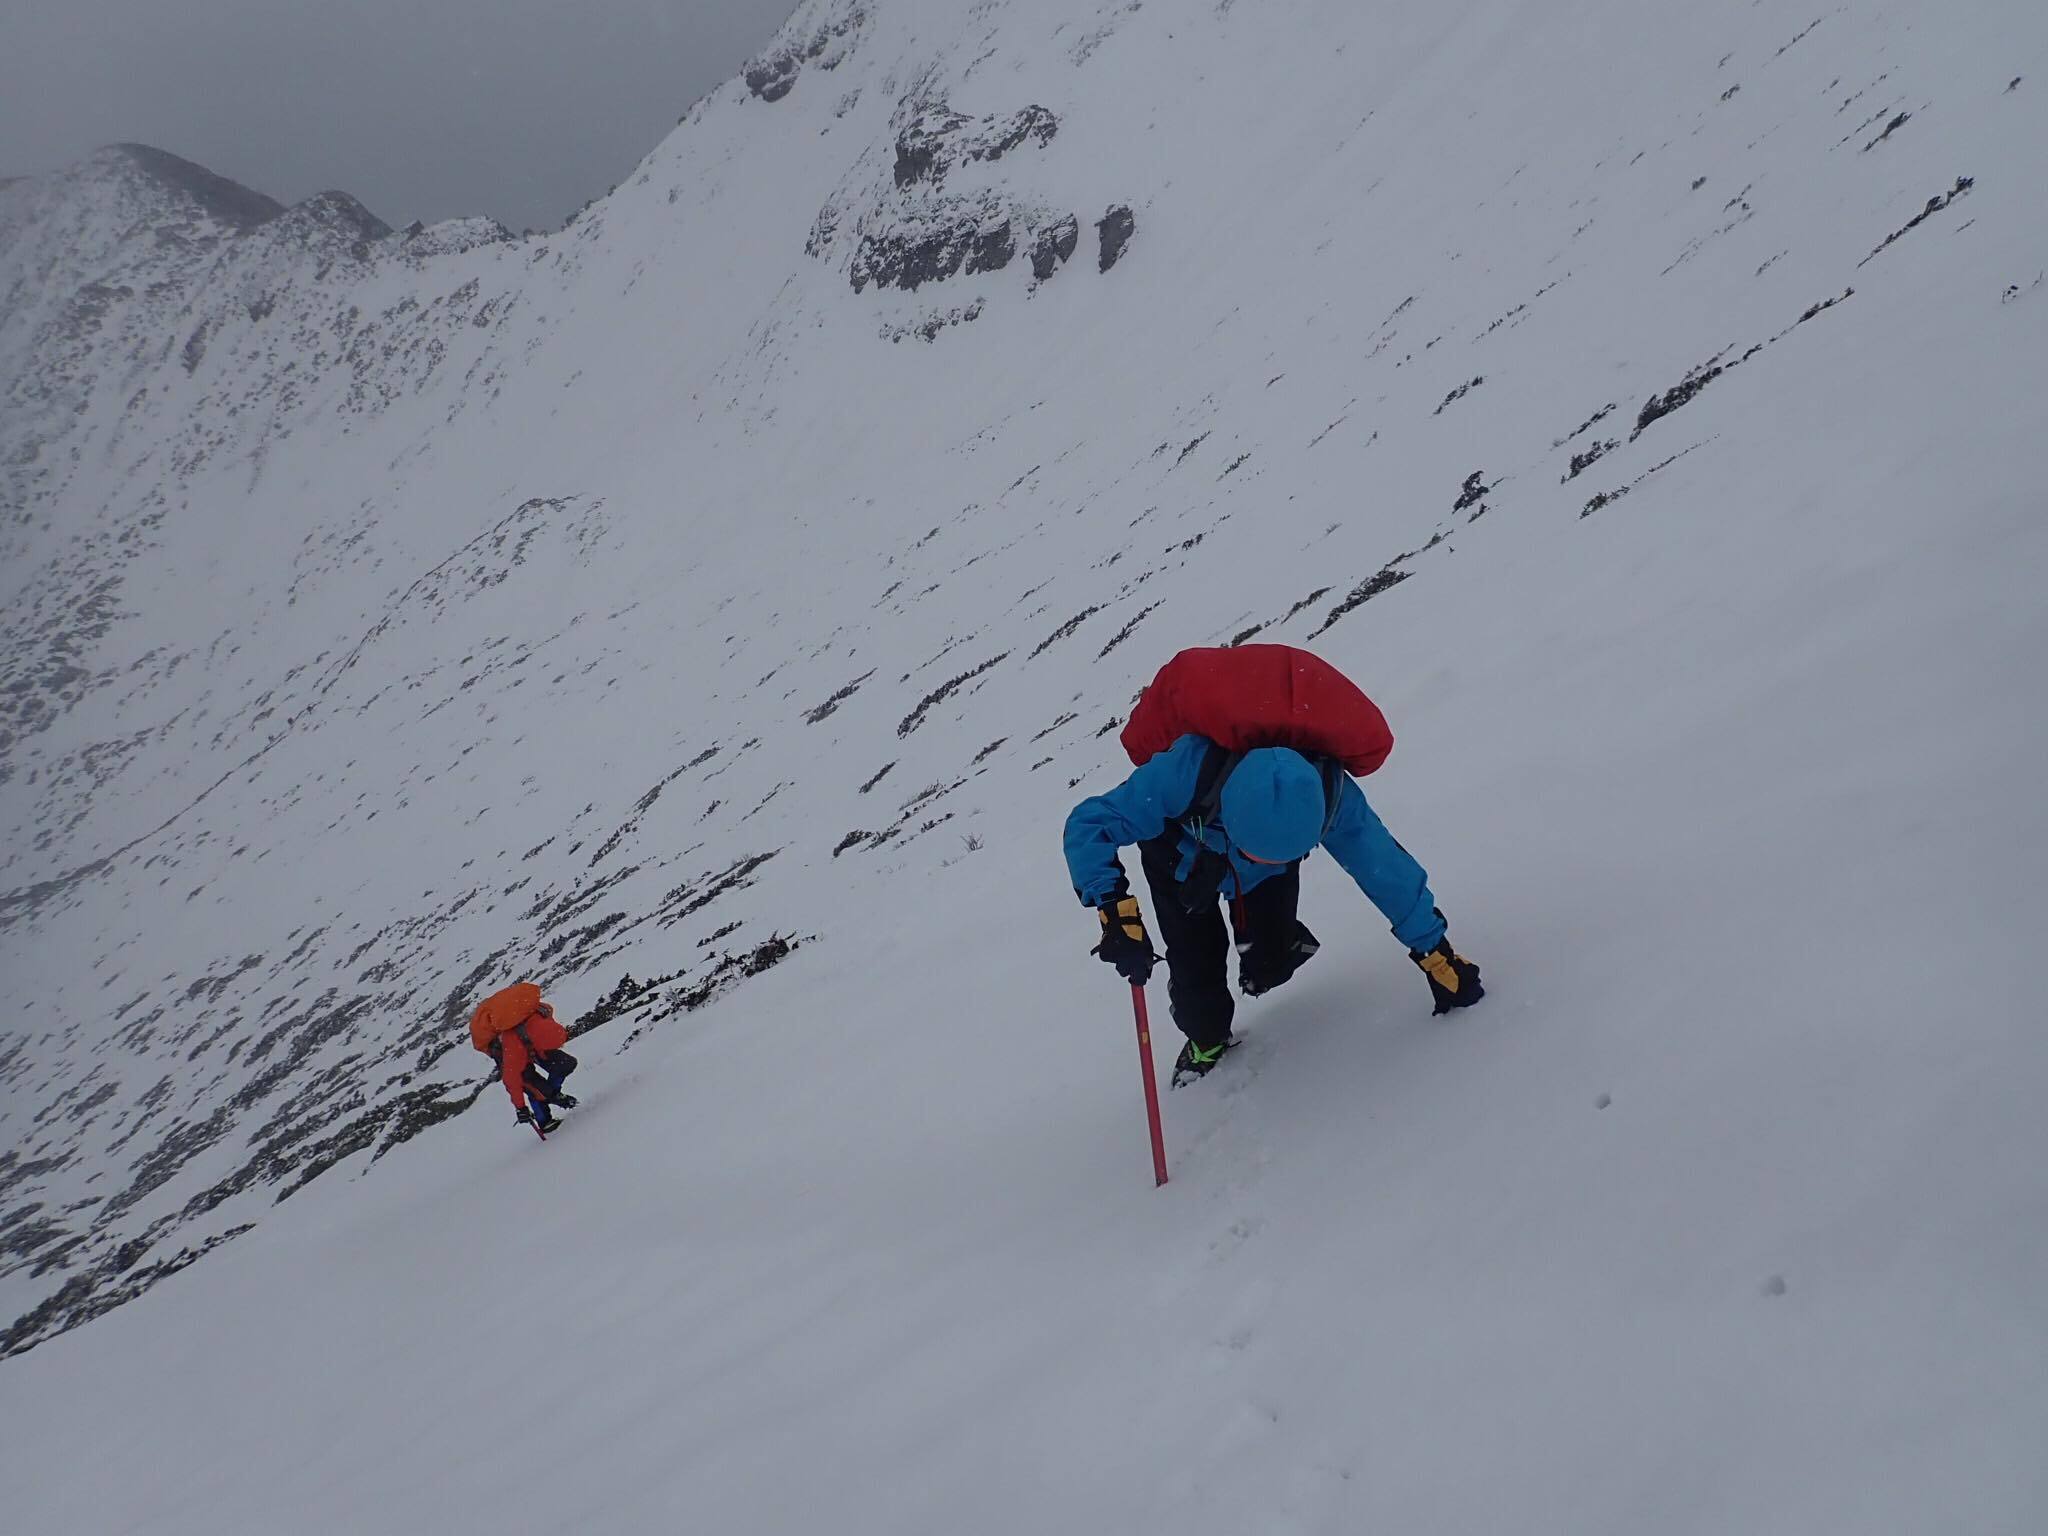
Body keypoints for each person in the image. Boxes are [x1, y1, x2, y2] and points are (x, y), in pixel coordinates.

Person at [1064, 714, 1483, 1087]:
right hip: (1180, 860)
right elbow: (1089, 824)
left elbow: (1386, 871)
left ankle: (1271, 955)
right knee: (1196, 965)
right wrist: (1113, 908)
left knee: (1270, 962)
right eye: (1255, 850)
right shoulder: (1185, 771)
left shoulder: (1331, 798)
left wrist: (1433, 949)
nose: (1259, 858)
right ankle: (1206, 1039)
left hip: (1264, 880)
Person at [469, 981, 580, 1133]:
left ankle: (550, 1095)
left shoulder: (543, 1013)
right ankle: (545, 1120)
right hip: (501, 1045)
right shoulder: (512, 1045)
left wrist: (551, 1093)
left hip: (524, 1035)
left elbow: (546, 1037)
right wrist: (520, 1107)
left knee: (565, 1063)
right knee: (530, 1083)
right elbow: (511, 1079)